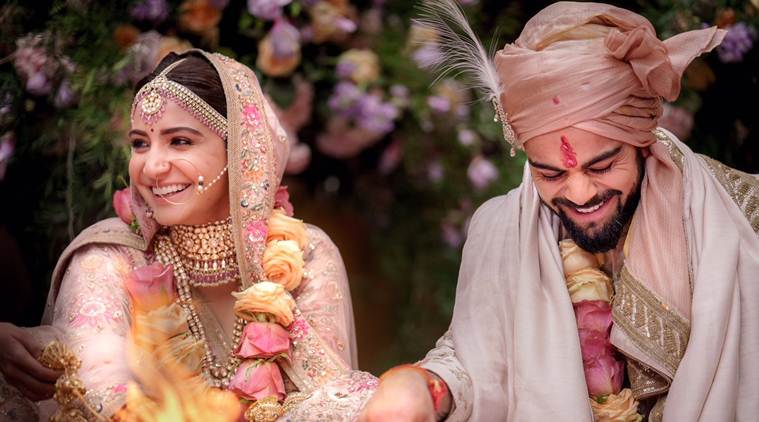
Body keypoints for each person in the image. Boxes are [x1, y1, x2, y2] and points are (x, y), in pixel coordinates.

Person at [360, 2, 758, 421]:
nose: (580, 194)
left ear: (643, 142)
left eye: (602, 166)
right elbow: (474, 365)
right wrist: (422, 387)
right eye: (550, 174)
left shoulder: (739, 221)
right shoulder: (502, 229)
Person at [0, 49, 377, 421]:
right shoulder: (108, 258)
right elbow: (95, 379)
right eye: (140, 143)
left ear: (241, 150)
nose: (152, 166)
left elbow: (326, 402)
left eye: (180, 141)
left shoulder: (305, 254)